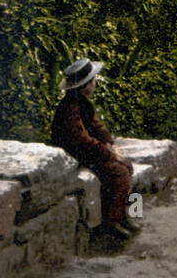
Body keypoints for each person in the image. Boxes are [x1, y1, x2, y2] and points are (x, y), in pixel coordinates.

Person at [50, 57, 138, 238]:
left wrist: (112, 146)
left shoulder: (82, 102)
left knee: (126, 166)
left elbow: (98, 128)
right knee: (118, 172)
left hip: (88, 150)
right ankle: (111, 222)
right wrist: (108, 154)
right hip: (76, 153)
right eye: (93, 80)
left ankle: (121, 215)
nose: (95, 82)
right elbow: (82, 140)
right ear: (86, 85)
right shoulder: (70, 107)